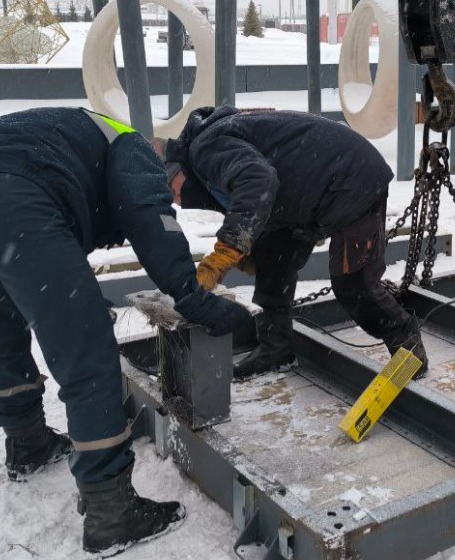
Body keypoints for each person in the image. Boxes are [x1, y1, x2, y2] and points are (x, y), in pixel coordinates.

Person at [0, 107, 251, 557]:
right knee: (87, 352)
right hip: (15, 206)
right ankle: (112, 511)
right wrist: (194, 300)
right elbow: (152, 222)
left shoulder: (72, 136)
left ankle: (28, 444)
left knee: (1, 326)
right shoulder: (136, 148)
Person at [154, 105, 428, 381]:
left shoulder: (204, 151)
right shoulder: (207, 150)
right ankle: (277, 348)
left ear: (176, 168)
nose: (176, 198)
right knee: (273, 257)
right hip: (311, 190)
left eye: (171, 187)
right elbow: (257, 195)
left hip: (351, 180)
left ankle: (406, 343)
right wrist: (252, 245)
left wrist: (228, 249)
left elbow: (258, 181)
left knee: (353, 283)